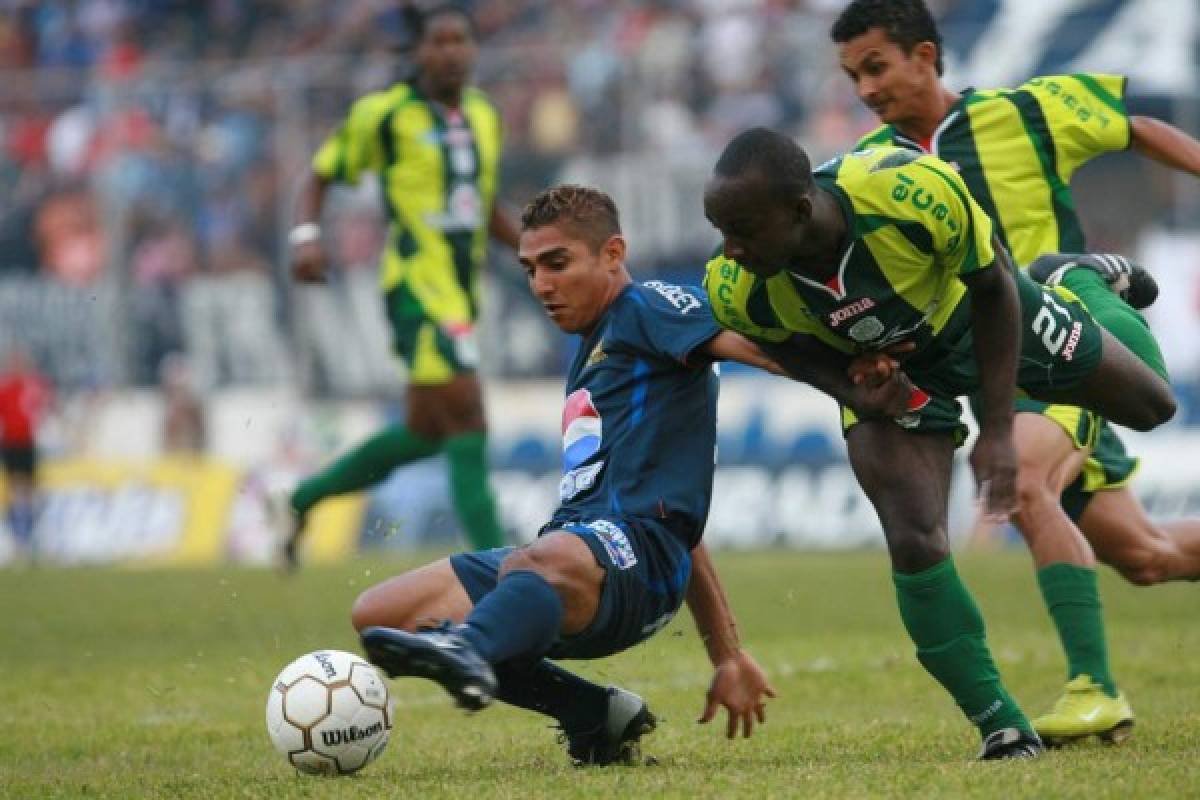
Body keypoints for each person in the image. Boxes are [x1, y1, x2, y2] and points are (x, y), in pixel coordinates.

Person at [701, 129, 1176, 759]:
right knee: (914, 536)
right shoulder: (736, 286)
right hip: (896, 375)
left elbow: (994, 284)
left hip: (978, 319)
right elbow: (782, 346)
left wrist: (1001, 431)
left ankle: (1081, 281)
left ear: (799, 209)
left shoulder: (907, 193)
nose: (729, 248)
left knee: (1152, 406)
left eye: (742, 228)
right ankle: (1001, 726)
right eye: (720, 229)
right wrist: (852, 389)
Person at [829, 0, 1200, 745]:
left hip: (1066, 344)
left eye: (877, 66)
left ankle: (1095, 689)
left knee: (1024, 481)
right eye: (852, 76)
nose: (865, 89)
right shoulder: (870, 170)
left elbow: (1136, 126)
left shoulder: (1026, 109)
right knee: (1148, 557)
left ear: (926, 56)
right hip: (990, 375)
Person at [353, 185, 779, 765]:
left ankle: (469, 648)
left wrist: (856, 375)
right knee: (382, 614)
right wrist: (727, 656)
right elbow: (685, 518)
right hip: (582, 553)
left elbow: (758, 348)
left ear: (612, 253)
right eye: (530, 269)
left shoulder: (647, 308)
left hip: (635, 566)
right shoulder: (595, 349)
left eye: (557, 264)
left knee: (537, 563)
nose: (541, 286)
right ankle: (593, 715)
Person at [278, 4, 520, 568]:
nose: (452, 51)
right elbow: (319, 174)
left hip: (461, 292)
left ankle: (299, 499)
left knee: (426, 431)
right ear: (416, 51)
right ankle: (504, 572)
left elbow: (481, 207)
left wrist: (535, 254)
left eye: (462, 40)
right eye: (439, 41)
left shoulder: (484, 115)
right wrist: (306, 237)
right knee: (468, 416)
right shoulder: (385, 115)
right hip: (415, 287)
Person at [0, 347, 54, 562]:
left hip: (27, 444)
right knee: (15, 493)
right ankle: (17, 541)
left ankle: (32, 540)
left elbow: (43, 410)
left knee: (31, 494)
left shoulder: (34, 386)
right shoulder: (5, 388)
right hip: (11, 444)